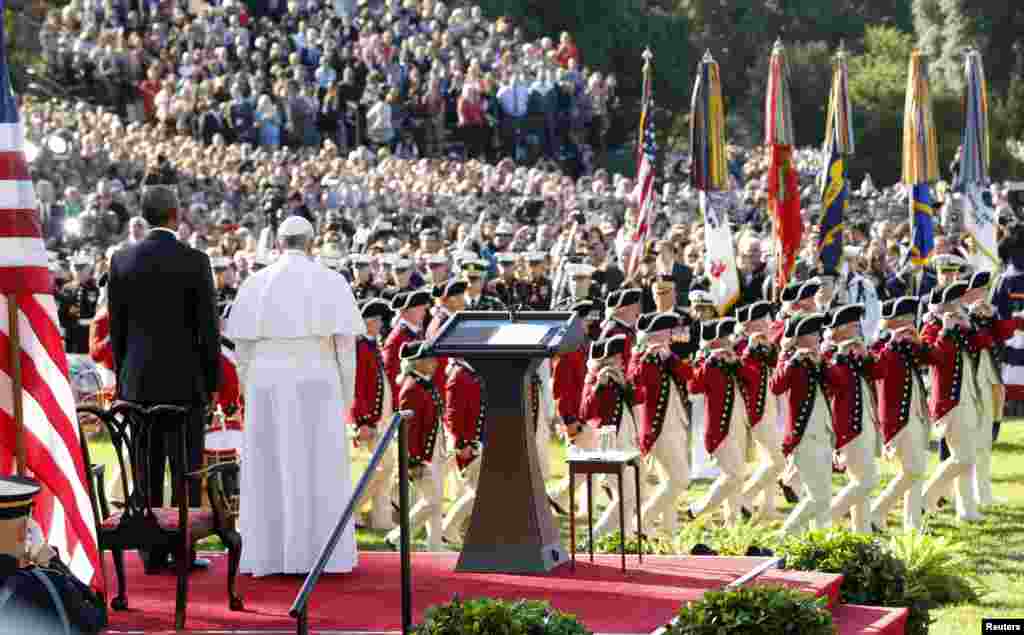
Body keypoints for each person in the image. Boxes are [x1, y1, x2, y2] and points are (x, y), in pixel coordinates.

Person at [226, 215, 365, 576]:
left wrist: (248, 390)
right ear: (311, 243)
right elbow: (346, 349)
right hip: (317, 378)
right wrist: (346, 398)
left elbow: (241, 350)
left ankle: (269, 555)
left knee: (269, 465)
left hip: (266, 379)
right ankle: (324, 555)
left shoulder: (256, 282)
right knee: (319, 465)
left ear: (278, 244)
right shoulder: (331, 281)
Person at [107, 185, 220, 571]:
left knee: (146, 470)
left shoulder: (121, 260)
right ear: (176, 215)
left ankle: (152, 553)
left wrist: (125, 379)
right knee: (185, 470)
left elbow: (117, 333)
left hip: (137, 384)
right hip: (185, 385)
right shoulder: (195, 261)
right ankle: (182, 553)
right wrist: (212, 384)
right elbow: (208, 331)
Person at [867, 297, 931, 532]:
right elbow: (877, 368)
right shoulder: (881, 344)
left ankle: (912, 524)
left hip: (916, 412)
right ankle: (878, 511)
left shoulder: (909, 343)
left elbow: (933, 358)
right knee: (912, 470)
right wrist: (894, 342)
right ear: (893, 322)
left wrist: (919, 342)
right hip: (897, 416)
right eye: (905, 320)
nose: (910, 323)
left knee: (917, 469)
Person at [771, 313, 833, 535]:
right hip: (804, 435)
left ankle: (819, 542)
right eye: (812, 333)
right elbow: (776, 386)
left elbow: (838, 385)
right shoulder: (789, 358)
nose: (817, 337)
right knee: (819, 496)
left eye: (817, 333)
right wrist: (793, 359)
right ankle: (784, 536)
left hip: (824, 432)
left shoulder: (820, 358)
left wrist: (822, 364)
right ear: (799, 337)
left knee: (822, 495)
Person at [630, 311, 692, 535]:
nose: (673, 335)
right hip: (658, 428)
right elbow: (643, 382)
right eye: (670, 331)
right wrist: (651, 356)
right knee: (680, 478)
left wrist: (669, 358)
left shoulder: (669, 355)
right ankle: (643, 520)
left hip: (676, 422)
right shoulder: (641, 356)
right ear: (659, 333)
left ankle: (668, 527)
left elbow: (688, 375)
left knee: (671, 480)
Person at [822, 304, 880, 533]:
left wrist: (864, 355)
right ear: (842, 329)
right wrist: (841, 355)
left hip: (864, 418)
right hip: (845, 424)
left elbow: (879, 373)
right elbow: (833, 384)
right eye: (854, 326)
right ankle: (826, 519)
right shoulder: (828, 352)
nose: (858, 330)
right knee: (867, 480)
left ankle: (862, 532)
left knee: (861, 479)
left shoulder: (858, 349)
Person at [386, 341, 446, 551]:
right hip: (420, 455)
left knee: (434, 500)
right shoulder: (412, 389)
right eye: (429, 358)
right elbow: (408, 430)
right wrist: (412, 459)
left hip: (432, 451)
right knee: (432, 500)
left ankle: (435, 545)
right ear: (417, 362)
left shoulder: (423, 383)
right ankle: (396, 537)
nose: (435, 362)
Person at [349, 299, 396, 531]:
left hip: (380, 417)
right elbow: (358, 387)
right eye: (377, 320)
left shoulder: (369, 344)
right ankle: (352, 508)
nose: (380, 324)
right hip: (370, 419)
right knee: (383, 467)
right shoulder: (360, 346)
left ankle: (381, 519)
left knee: (385, 472)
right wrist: (363, 420)